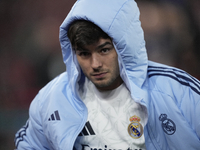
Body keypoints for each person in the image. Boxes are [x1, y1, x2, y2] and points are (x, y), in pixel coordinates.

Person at [14, 0, 200, 149]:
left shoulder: (179, 92)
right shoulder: (51, 99)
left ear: (124, 46)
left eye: (104, 50)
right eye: (84, 54)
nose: (95, 65)